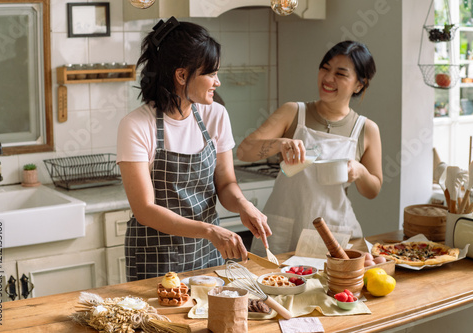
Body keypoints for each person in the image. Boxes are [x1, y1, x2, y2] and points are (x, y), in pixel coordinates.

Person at [117, 17, 271, 281]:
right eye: (210, 73)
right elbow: (144, 209)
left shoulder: (216, 115)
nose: (217, 82)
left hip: (208, 251)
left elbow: (226, 183)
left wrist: (244, 205)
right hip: (155, 258)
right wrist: (210, 231)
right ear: (181, 75)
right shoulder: (136, 125)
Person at [237, 40, 382, 256]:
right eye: (325, 68)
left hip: (335, 231)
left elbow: (373, 190)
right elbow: (243, 151)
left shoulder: (366, 129)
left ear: (359, 84)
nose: (328, 78)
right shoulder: (294, 112)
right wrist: (279, 144)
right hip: (283, 227)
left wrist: (360, 172)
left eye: (340, 74)